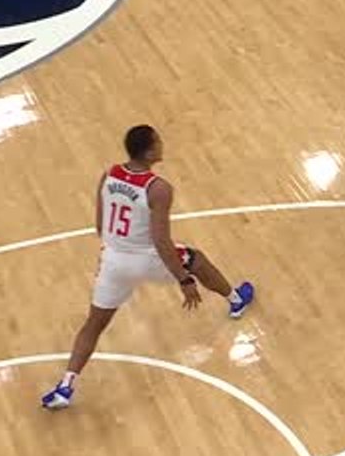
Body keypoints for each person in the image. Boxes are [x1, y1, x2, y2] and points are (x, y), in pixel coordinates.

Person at [41, 125, 255, 409]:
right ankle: (236, 300)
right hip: (146, 258)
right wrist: (184, 279)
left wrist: (115, 250)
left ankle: (65, 386)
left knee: (93, 325)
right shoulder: (159, 188)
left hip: (113, 261)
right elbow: (161, 240)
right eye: (159, 142)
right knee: (197, 259)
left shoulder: (109, 175)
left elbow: (100, 225)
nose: (162, 144)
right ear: (150, 151)